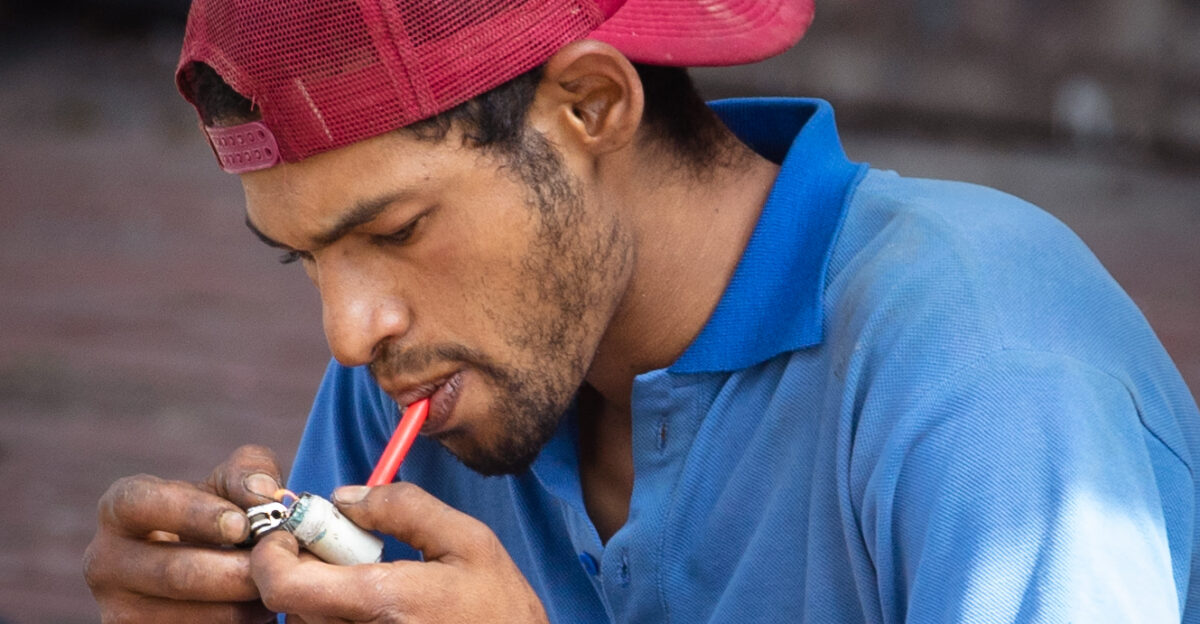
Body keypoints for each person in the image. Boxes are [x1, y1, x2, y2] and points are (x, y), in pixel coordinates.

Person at [83, 0, 1200, 622]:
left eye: (396, 229)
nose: (350, 329)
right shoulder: (423, 378)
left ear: (591, 104)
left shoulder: (989, 384)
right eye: (305, 260)